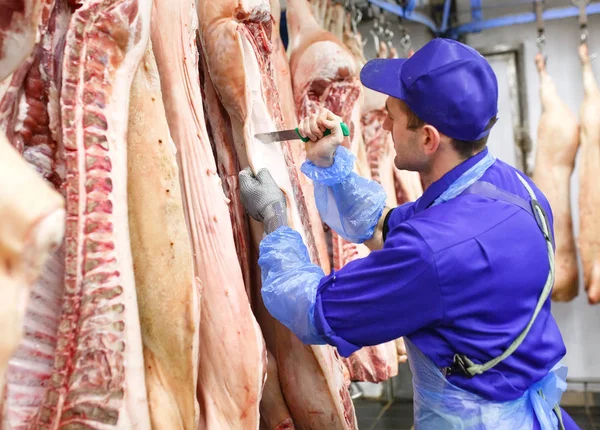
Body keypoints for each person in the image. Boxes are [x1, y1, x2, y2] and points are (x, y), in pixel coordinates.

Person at [238, 38, 579, 429]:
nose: (383, 125)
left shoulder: (433, 251)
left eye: (393, 117)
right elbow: (387, 228)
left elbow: (315, 312)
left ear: (429, 138)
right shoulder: (512, 188)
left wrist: (274, 218)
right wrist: (331, 166)